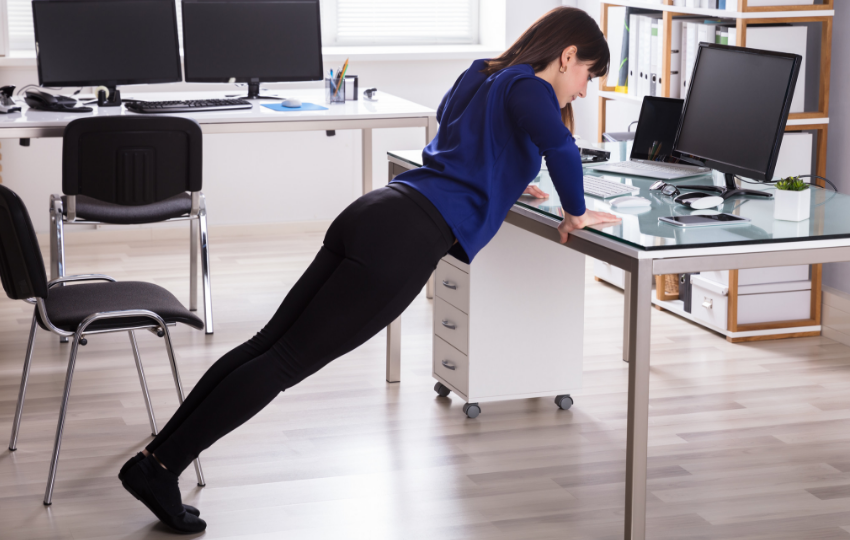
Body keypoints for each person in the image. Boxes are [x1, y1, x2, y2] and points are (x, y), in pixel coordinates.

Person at [118, 6, 621, 533]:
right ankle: (160, 468)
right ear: (567, 57)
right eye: (588, 73)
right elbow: (560, 146)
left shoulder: (484, 72)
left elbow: (456, 135)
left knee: (266, 345)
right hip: (408, 238)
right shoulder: (532, 88)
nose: (584, 90)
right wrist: (576, 211)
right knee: (283, 363)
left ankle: (154, 461)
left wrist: (505, 179)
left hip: (377, 211)